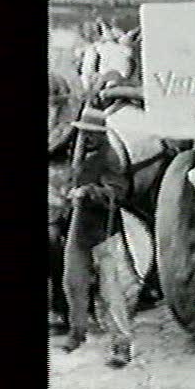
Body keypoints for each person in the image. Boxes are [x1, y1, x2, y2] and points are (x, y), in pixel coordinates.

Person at [61, 108, 136, 367]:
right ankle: (77, 332)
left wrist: (89, 192)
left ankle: (122, 345)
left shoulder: (109, 157)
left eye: (89, 133)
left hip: (104, 232)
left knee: (111, 290)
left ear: (99, 135)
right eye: (82, 131)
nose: (84, 136)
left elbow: (118, 193)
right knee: (73, 281)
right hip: (79, 228)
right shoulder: (79, 154)